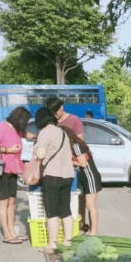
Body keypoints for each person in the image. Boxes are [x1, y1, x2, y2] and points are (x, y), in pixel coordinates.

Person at [0, 106, 32, 243]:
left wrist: (40, 136)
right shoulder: (2, 127)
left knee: (12, 201)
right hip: (1, 169)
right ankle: (7, 234)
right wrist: (8, 150)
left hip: (13, 168)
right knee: (4, 201)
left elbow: (27, 135)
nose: (25, 125)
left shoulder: (16, 129)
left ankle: (12, 231)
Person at [33, 107, 75, 251]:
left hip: (52, 175)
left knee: (52, 212)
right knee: (65, 210)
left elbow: (40, 154)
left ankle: (52, 244)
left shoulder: (44, 132)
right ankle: (68, 241)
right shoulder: (63, 132)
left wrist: (36, 149)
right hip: (68, 175)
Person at [45, 95, 88, 230]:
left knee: (75, 195)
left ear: (61, 107)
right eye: (51, 112)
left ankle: (80, 221)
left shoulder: (74, 120)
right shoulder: (51, 122)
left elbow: (79, 142)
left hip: (72, 163)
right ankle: (59, 226)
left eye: (55, 111)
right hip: (54, 166)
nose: (54, 115)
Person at [64, 124, 102, 235]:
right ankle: (85, 226)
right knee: (82, 203)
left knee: (90, 205)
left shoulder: (76, 146)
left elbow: (83, 163)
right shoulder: (72, 146)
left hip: (90, 176)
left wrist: (67, 161)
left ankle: (93, 231)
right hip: (82, 177)